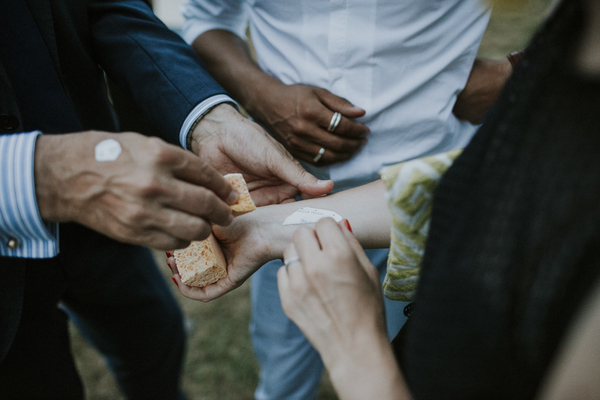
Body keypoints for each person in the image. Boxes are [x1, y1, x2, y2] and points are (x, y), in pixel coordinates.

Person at [169, 0, 600, 397]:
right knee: (281, 363)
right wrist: (265, 229)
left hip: (429, 182)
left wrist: (356, 348)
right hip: (322, 197)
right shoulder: (573, 40)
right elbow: (476, 184)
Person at [0, 1, 333, 398]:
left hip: (110, 191)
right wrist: (41, 175)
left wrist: (209, 120)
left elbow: (111, 8)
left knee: (153, 334)